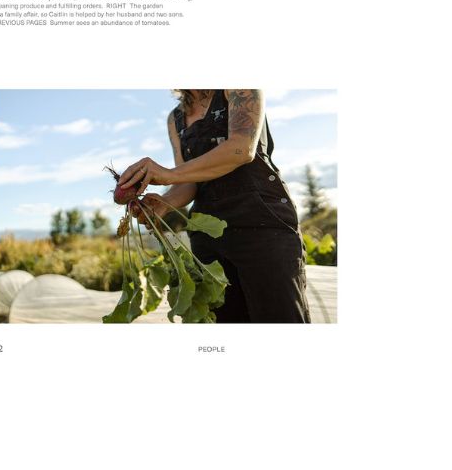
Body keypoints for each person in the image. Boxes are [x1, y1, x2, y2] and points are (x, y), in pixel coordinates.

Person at [117, 89, 311, 322]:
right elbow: (188, 181)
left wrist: (168, 174)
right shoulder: (176, 118)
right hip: (208, 235)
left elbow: (241, 149)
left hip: (262, 225)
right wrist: (164, 203)